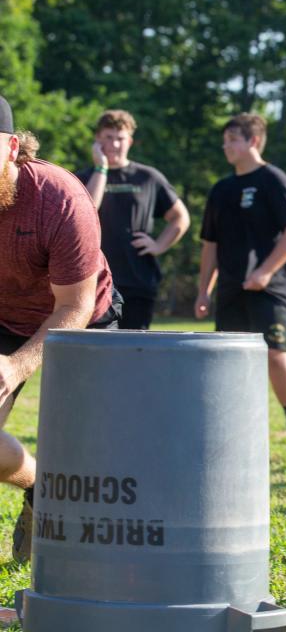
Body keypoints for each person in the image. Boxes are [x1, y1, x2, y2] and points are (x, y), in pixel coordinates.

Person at [0, 95, 120, 562]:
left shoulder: (59, 198)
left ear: (13, 149)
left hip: (84, 319)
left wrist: (14, 366)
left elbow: (74, 305)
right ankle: (39, 483)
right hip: (5, 315)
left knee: (93, 460)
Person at [195, 113, 286, 446]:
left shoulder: (273, 180)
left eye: (233, 139)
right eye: (225, 140)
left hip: (271, 286)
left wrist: (266, 271)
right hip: (232, 287)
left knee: (274, 351)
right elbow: (210, 245)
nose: (226, 146)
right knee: (229, 355)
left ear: (254, 141)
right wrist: (204, 290)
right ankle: (231, 425)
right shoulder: (221, 190)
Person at [77, 110, 190, 329]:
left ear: (129, 141)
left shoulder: (148, 177)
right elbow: (88, 210)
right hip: (96, 281)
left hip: (138, 279)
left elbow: (180, 218)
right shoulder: (84, 178)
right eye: (108, 137)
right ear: (98, 140)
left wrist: (158, 245)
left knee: (135, 350)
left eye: (120, 138)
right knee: (98, 352)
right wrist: (101, 168)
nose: (114, 144)